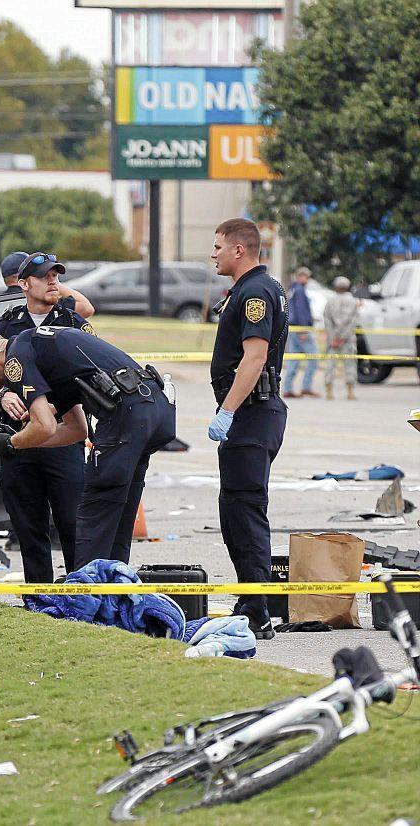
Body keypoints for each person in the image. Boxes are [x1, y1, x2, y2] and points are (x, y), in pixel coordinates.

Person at [0, 325, 175, 569]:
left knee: (94, 513)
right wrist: (22, 445)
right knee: (118, 515)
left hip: (126, 414)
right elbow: (76, 430)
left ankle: (86, 598)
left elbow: (43, 426)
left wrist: (10, 443)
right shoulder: (44, 352)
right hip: (153, 408)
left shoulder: (15, 357)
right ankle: (114, 592)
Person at [0, 251, 96, 582]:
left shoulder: (73, 323)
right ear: (23, 285)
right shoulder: (7, 324)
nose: (54, 281)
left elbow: (92, 378)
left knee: (73, 523)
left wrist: (52, 406)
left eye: (57, 276)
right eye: (45, 276)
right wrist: (2, 394)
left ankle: (81, 593)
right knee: (28, 524)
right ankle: (39, 595)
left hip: (62, 437)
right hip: (18, 439)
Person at [207, 218, 289, 640]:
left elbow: (253, 359)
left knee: (245, 510)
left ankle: (257, 607)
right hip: (254, 415)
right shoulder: (256, 286)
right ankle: (249, 599)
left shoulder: (255, 291)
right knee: (235, 510)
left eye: (218, 246)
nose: (214, 253)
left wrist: (227, 409)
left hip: (252, 414)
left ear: (240, 249)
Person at [281, 266, 318, 398]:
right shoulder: (300, 290)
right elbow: (301, 311)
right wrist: (303, 329)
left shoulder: (293, 289)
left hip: (293, 329)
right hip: (301, 329)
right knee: (314, 358)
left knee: (294, 360)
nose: (307, 279)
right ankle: (306, 387)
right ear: (301, 276)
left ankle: (288, 388)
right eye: (306, 277)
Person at [323, 276, 359, 400]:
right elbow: (352, 322)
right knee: (350, 364)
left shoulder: (330, 301)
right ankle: (350, 391)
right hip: (347, 339)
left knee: (330, 365)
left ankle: (329, 390)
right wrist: (343, 337)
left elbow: (327, 320)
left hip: (333, 340)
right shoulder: (353, 301)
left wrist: (333, 337)